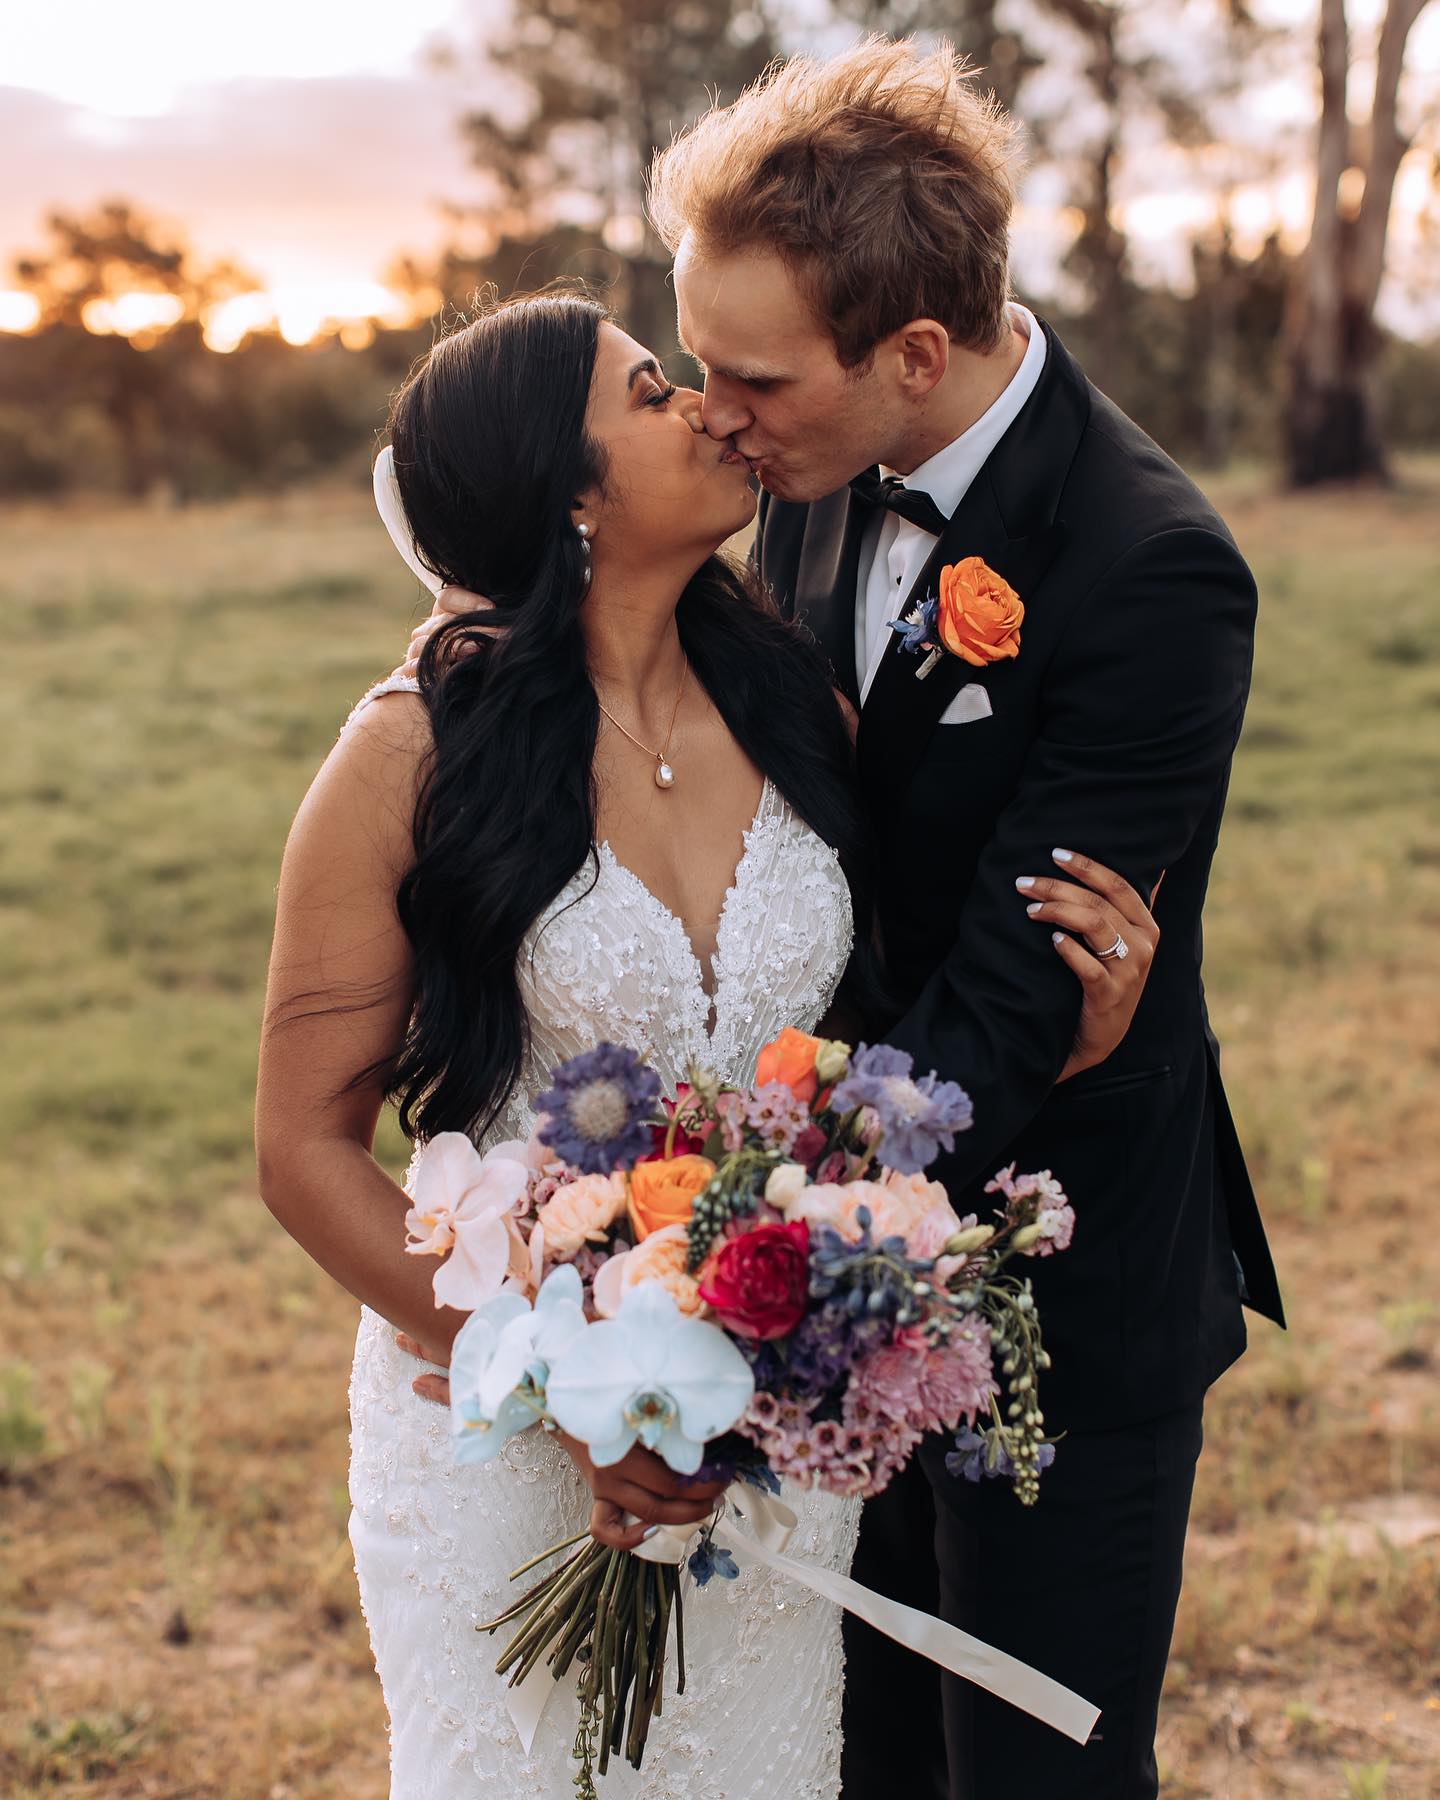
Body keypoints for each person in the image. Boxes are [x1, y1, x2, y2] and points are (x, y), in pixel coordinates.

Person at [399, 38, 1285, 1800]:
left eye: (752, 378)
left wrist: (738, 1258)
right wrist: (705, 1271)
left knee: (1033, 1769)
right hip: (785, 1278)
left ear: (916, 356)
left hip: (1049, 1284)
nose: (714, 413)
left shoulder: (1152, 567)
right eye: (693, 368)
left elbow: (1020, 990)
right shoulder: (794, 485)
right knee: (852, 1756)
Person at [257, 290, 1159, 1797]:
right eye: (651, 391)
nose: (706, 407)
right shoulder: (413, 752)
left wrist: (1062, 1031)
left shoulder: (793, 700)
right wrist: (558, 1385)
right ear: (570, 493)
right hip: (506, 1428)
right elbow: (301, 1149)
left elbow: (882, 1028)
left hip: (758, 1407)